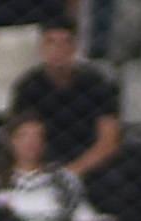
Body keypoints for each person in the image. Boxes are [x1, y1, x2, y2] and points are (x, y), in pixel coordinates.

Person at [8, 21, 121, 184]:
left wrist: (73, 172)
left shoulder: (98, 83)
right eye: (51, 42)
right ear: (41, 48)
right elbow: (20, 137)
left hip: (91, 166)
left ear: (75, 48)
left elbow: (109, 140)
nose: (58, 49)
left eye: (65, 42)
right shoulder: (27, 87)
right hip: (41, 166)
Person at [0, 110, 104, 221]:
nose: (31, 143)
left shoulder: (63, 180)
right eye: (23, 136)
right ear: (10, 141)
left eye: (37, 136)